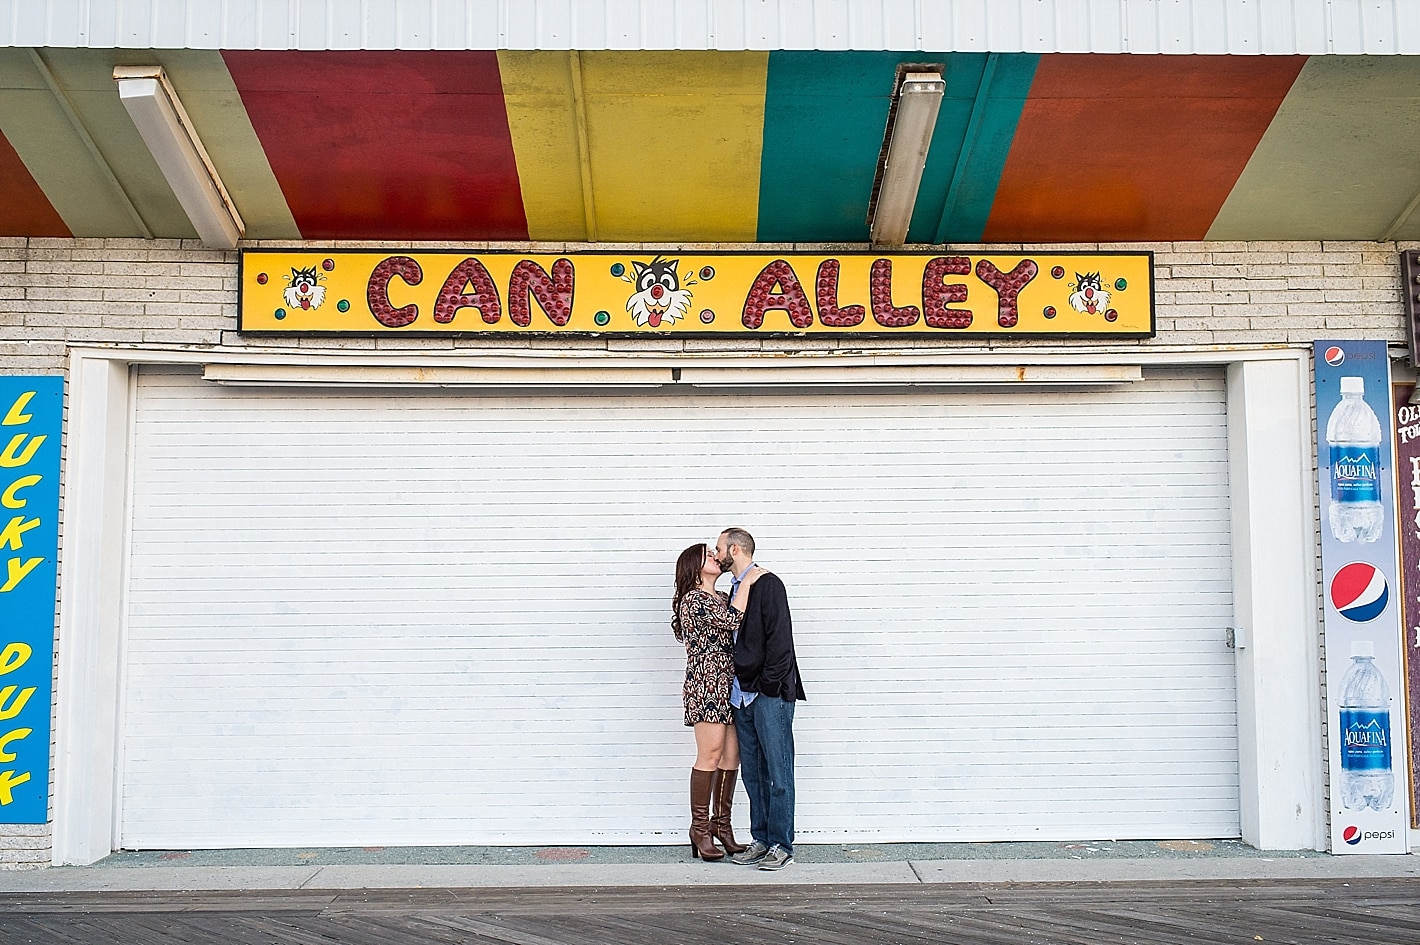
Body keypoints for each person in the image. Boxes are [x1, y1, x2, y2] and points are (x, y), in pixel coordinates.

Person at [715, 527, 805, 871]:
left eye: (720, 547)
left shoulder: (768, 585)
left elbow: (781, 643)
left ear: (735, 550)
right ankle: (762, 839)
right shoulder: (733, 592)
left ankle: (782, 844)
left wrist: (766, 687)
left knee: (779, 771)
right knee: (753, 773)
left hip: (769, 696)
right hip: (741, 697)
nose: (716, 553)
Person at [671, 542, 763, 861]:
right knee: (709, 754)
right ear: (694, 568)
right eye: (708, 554)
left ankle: (721, 826)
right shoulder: (694, 599)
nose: (715, 556)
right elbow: (734, 621)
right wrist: (749, 581)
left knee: (730, 757)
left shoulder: (722, 596)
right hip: (707, 683)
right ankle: (699, 828)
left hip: (730, 684)